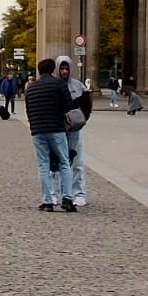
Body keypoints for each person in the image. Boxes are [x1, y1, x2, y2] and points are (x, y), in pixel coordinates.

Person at [24, 58, 75, 212]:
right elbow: (69, 105)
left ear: (39, 71)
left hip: (38, 131)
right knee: (64, 162)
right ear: (54, 70)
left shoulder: (31, 88)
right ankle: (67, 198)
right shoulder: (58, 84)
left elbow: (28, 110)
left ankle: (47, 201)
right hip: (56, 128)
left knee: (43, 165)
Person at [56, 56, 92, 207]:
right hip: (58, 129)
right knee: (58, 162)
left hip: (74, 129)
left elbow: (87, 106)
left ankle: (80, 193)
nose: (64, 71)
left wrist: (82, 120)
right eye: (62, 69)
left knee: (77, 161)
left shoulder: (78, 86)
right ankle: (62, 193)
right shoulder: (54, 85)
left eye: (66, 68)